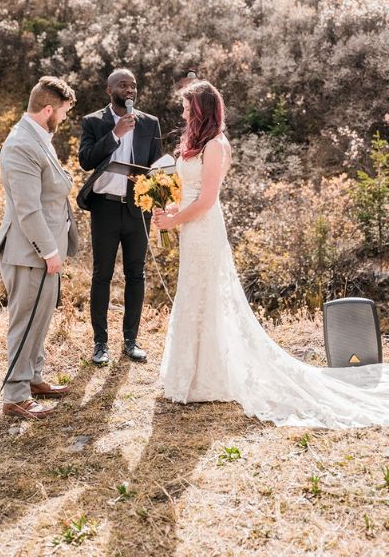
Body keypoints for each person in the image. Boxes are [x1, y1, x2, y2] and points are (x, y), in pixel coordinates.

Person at [154, 79, 389, 427]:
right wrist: (167, 208)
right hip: (190, 229)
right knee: (193, 295)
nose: (183, 111)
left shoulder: (216, 145)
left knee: (207, 296)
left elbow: (206, 201)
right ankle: (192, 374)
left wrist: (173, 221)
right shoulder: (193, 144)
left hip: (204, 230)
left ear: (201, 109)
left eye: (188, 106)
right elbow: (188, 191)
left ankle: (211, 376)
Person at [0, 76, 80, 420]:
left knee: (40, 319)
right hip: (28, 253)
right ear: (48, 109)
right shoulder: (20, 145)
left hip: (43, 251)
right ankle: (15, 395)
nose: (63, 117)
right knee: (24, 322)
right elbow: (28, 209)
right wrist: (49, 251)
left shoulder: (40, 137)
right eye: (62, 111)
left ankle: (34, 379)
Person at [77, 68, 163, 367]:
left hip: (138, 209)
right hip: (105, 207)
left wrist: (159, 199)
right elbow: (86, 160)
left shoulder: (150, 123)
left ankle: (131, 340)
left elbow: (156, 168)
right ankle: (100, 343)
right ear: (109, 90)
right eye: (123, 85)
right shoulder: (93, 122)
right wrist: (115, 135)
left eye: (134, 86)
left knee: (136, 274)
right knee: (102, 275)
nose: (130, 90)